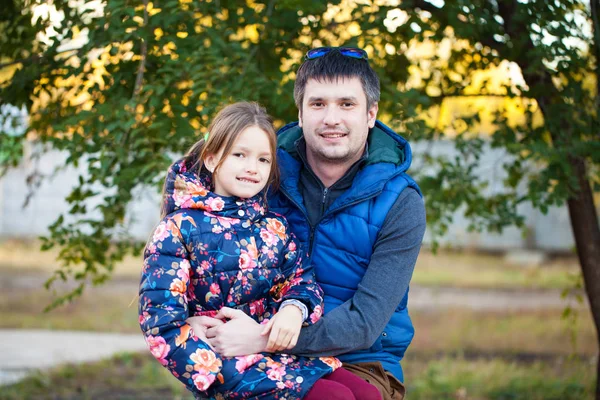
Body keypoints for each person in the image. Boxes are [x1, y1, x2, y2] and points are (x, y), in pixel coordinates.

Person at [189, 48, 427, 400]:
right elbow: (197, 235)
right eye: (318, 104)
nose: (331, 118)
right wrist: (189, 319)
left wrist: (265, 337)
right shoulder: (260, 175)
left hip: (361, 361)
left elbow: (365, 322)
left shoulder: (400, 202)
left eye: (347, 104)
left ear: (371, 113)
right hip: (249, 350)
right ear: (300, 113)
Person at [138, 102, 382, 400]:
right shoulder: (180, 228)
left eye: (264, 160)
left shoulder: (273, 226)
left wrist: (294, 310)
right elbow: (160, 323)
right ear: (213, 158)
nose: (253, 168)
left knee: (368, 395)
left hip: (275, 351)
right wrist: (210, 371)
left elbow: (302, 281)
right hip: (225, 363)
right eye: (240, 155)